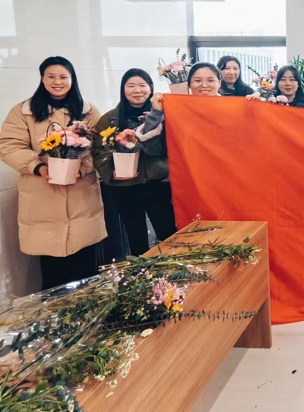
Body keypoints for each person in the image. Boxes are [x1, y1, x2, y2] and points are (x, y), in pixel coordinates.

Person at [0, 56, 105, 289]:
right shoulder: (23, 112)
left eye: (63, 77)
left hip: (81, 198)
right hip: (43, 197)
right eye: (51, 77)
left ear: (72, 79)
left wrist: (83, 168)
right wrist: (38, 167)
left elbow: (100, 147)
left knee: (87, 271)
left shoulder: (88, 112)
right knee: (53, 274)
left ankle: (89, 310)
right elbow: (9, 146)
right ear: (42, 79)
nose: (57, 82)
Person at [93, 69, 175, 256]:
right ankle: (141, 271)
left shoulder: (163, 115)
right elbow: (98, 150)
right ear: (123, 89)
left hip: (158, 185)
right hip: (125, 187)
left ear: (151, 88)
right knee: (136, 239)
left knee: (169, 235)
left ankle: (173, 271)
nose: (137, 90)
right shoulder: (109, 119)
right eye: (130, 86)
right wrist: (110, 172)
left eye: (142, 85)